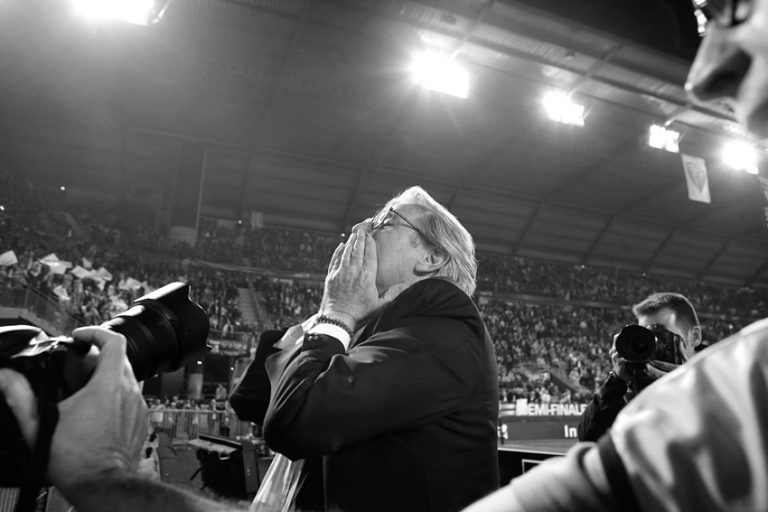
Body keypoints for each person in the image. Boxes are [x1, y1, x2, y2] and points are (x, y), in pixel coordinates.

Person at [230, 186, 500, 511]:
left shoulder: (444, 330)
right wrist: (330, 315)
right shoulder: (382, 327)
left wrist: (339, 314)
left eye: (385, 221)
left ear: (432, 257)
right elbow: (253, 400)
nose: (360, 230)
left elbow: (294, 421)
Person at [577, 292, 702, 441]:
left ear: (694, 337)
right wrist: (617, 381)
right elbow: (588, 438)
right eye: (645, 335)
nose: (651, 345)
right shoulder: (635, 382)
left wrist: (689, 387)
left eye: (660, 334)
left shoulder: (721, 380)